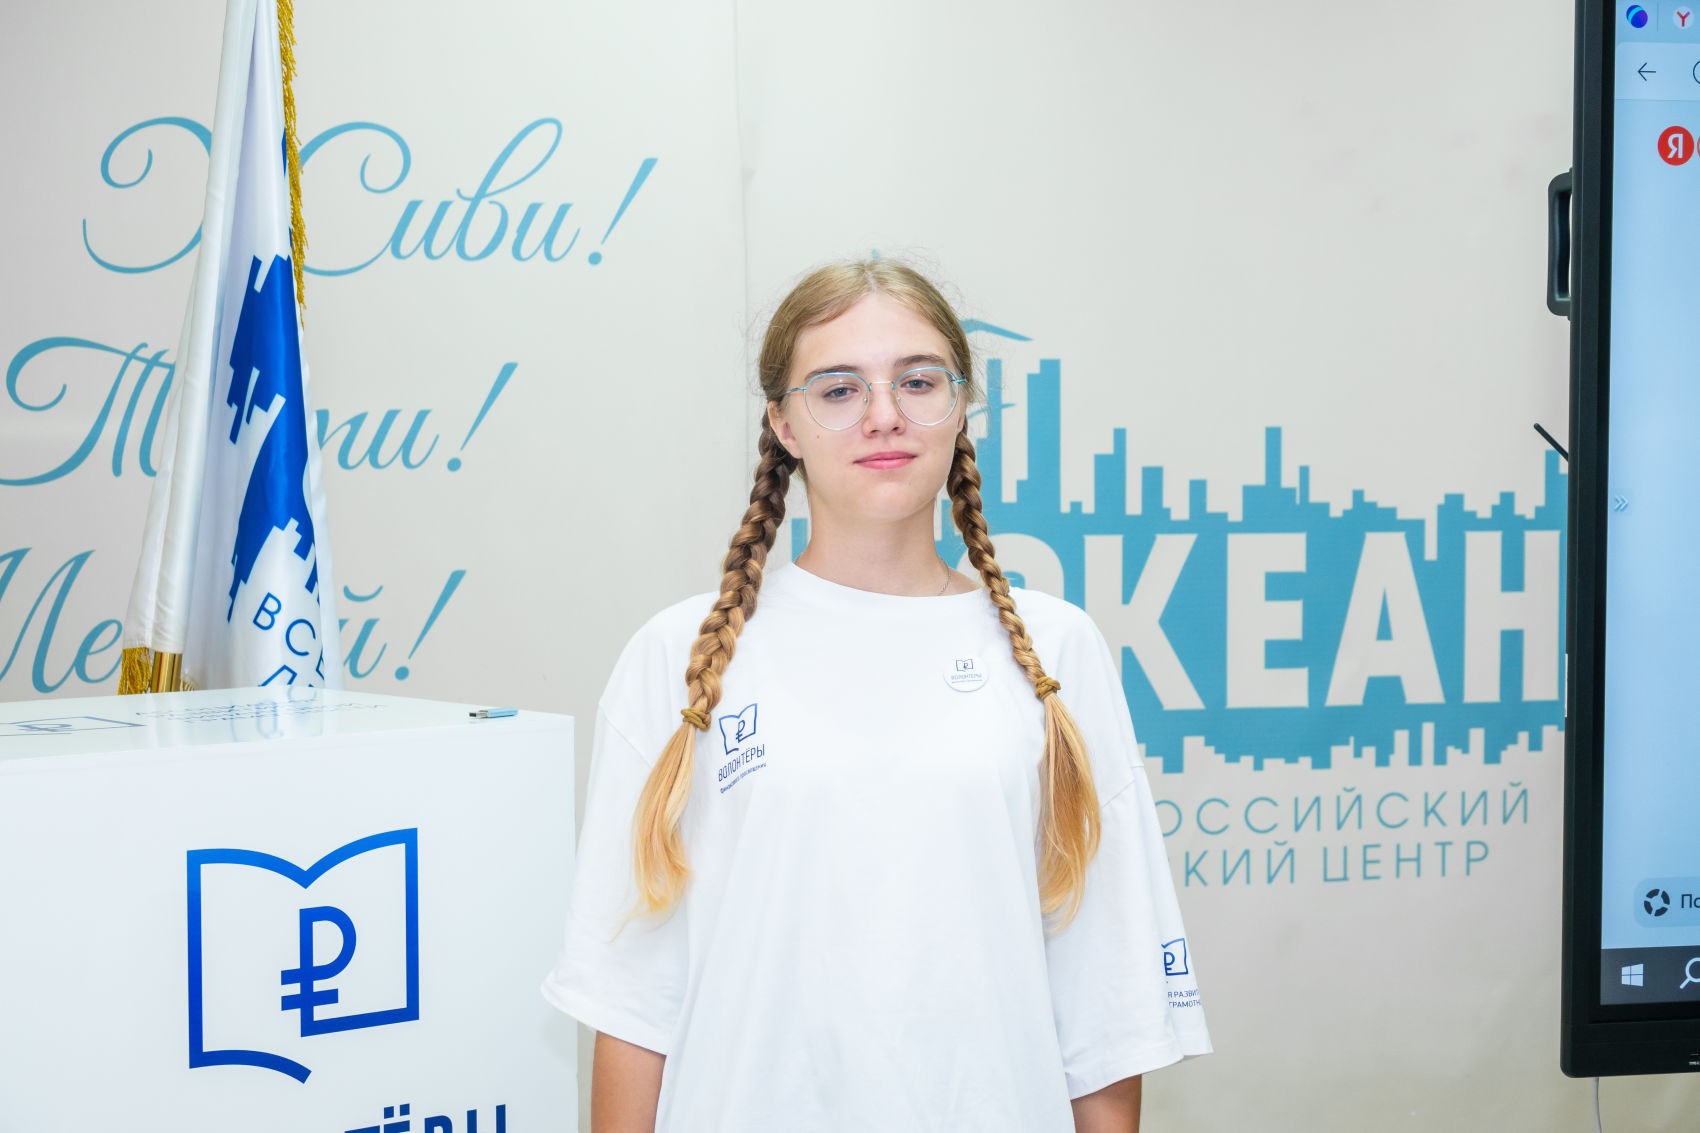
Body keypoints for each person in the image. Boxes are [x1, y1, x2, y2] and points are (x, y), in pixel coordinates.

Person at [543, 260, 1210, 1131]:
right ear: (783, 422)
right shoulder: (677, 655)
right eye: (839, 388)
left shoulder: (1057, 652)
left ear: (961, 407)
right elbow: (631, 1001)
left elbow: (1108, 999)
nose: (884, 414)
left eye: (918, 381)